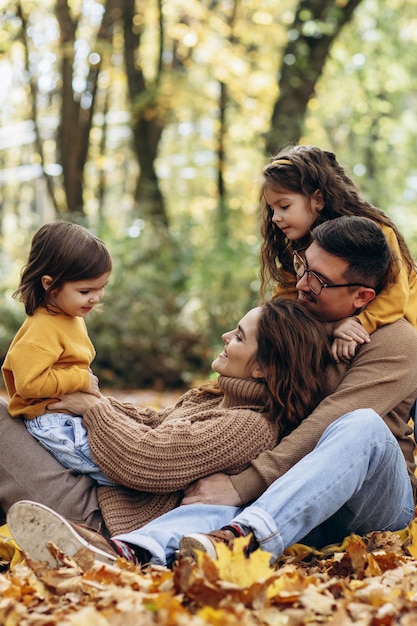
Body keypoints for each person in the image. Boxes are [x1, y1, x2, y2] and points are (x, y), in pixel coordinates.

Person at [6, 215, 417, 568]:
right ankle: (202, 537)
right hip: (284, 497)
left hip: (366, 501)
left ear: (361, 297)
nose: (302, 283)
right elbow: (163, 426)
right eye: (302, 266)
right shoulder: (303, 320)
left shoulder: (394, 343)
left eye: (319, 280)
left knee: (358, 425)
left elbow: (324, 423)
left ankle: (244, 538)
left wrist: (246, 484)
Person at [4, 298, 334, 566]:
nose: (226, 337)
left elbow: (147, 459)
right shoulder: (214, 398)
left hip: (103, 520)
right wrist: (91, 399)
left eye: (239, 337)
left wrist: (94, 409)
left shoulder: (249, 426)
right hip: (98, 492)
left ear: (264, 367)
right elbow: (152, 423)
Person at [258, 144, 417, 362]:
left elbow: (395, 296)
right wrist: (332, 327)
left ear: (318, 199)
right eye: (272, 209)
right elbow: (283, 303)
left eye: (284, 206)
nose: (275, 217)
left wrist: (358, 324)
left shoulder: (374, 234)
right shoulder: (297, 250)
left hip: (398, 332)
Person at [1, 221, 115, 486]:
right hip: (52, 424)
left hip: (68, 418)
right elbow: (28, 384)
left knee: (118, 454)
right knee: (114, 472)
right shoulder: (42, 328)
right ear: (50, 285)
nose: (96, 298)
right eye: (85, 291)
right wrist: (82, 380)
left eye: (101, 287)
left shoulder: (69, 315)